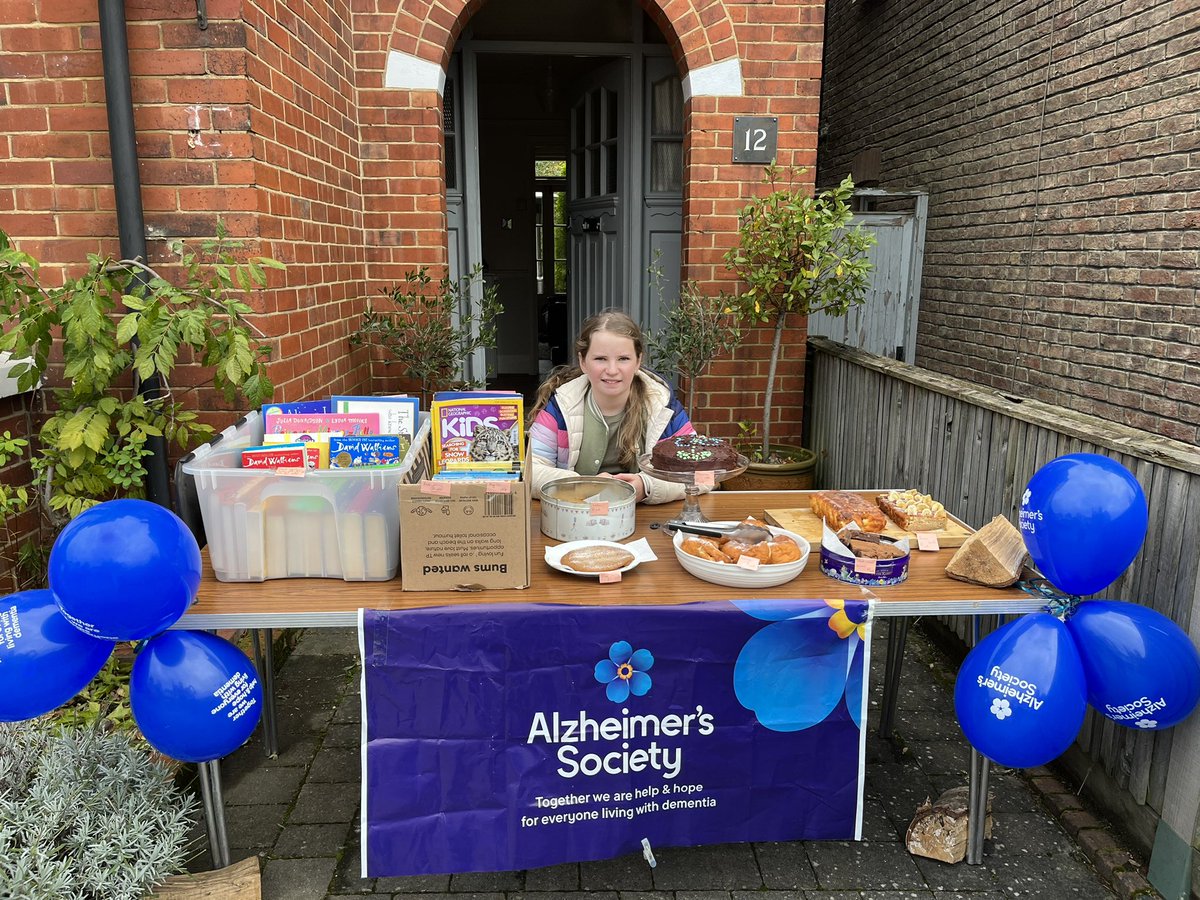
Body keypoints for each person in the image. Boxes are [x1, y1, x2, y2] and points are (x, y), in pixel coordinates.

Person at [528, 309, 706, 504]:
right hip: (574, 518)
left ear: (638, 361)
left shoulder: (664, 410)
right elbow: (529, 471)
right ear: (583, 361)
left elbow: (706, 476)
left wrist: (647, 487)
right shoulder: (559, 408)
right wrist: (583, 485)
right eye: (600, 359)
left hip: (646, 522)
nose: (612, 370)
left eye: (623, 359)